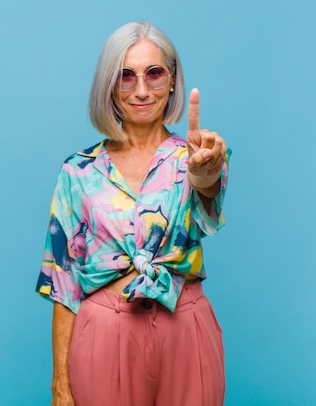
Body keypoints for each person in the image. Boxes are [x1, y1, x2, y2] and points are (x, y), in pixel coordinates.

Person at [36, 21, 231, 406]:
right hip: (105, 333)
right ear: (109, 85)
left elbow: (208, 205)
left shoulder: (198, 157)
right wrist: (60, 382)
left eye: (154, 74)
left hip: (185, 329)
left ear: (173, 81)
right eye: (126, 76)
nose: (141, 89)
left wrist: (205, 175)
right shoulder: (78, 172)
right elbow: (63, 282)